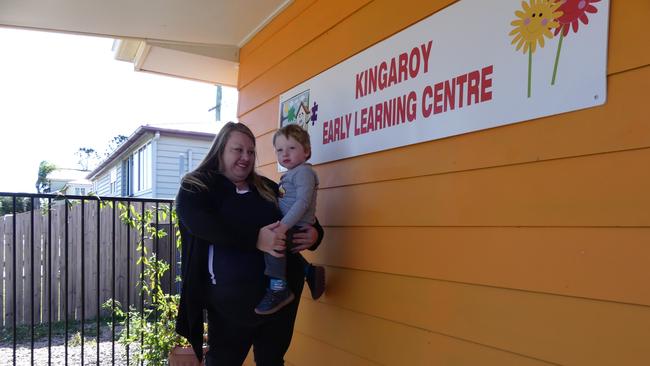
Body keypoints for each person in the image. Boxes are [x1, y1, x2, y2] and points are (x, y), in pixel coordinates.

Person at [175, 121, 324, 365]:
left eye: (251, 151)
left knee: (272, 361)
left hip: (279, 300)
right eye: (238, 150)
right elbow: (203, 226)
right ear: (220, 150)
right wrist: (256, 239)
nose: (246, 157)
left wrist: (316, 234)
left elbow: (302, 210)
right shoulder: (197, 187)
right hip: (229, 305)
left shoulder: (267, 188)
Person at [255, 124, 326, 315]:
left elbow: (303, 202)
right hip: (293, 224)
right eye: (279, 150)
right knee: (282, 246)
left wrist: (283, 227)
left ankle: (278, 289)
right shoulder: (291, 174)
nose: (285, 153)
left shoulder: (304, 172)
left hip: (297, 225)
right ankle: (308, 271)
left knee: (274, 243)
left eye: (292, 148)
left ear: (307, 151)